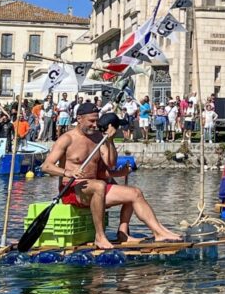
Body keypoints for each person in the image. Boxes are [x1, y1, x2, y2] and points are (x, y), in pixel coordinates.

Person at [41, 103, 181, 248]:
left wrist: (110, 141)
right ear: (79, 118)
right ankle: (100, 237)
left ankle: (155, 232)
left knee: (135, 193)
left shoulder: (98, 137)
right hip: (72, 190)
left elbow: (111, 162)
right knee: (100, 185)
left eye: (97, 120)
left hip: (94, 188)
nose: (95, 125)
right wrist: (68, 172)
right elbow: (46, 166)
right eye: (91, 121)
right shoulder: (67, 139)